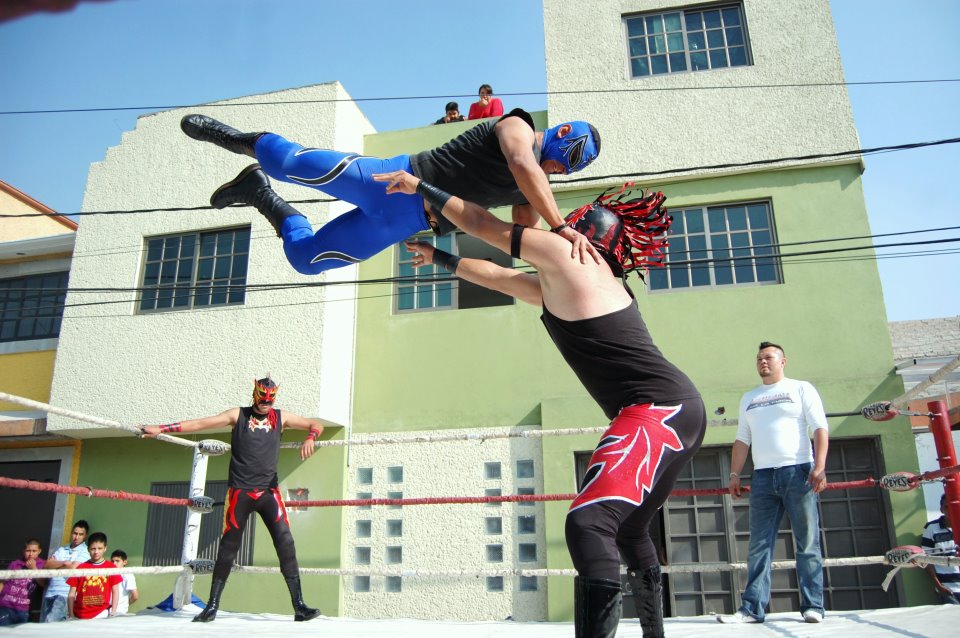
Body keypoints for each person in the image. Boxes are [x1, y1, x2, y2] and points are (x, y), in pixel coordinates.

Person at [376, 170, 705, 638]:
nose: (558, 226)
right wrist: (439, 256)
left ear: (582, 232)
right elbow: (500, 277)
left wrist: (422, 187)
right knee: (630, 530)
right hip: (679, 410)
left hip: (657, 410)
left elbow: (485, 227)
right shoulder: (583, 280)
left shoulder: (570, 254)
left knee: (589, 523)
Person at [179, 106, 601, 275]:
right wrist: (561, 226)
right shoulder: (518, 127)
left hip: (404, 223)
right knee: (287, 163)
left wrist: (573, 263)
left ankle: (260, 194)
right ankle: (231, 137)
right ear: (562, 132)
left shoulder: (532, 189)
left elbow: (520, 240)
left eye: (564, 171)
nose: (556, 170)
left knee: (306, 260)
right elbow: (523, 163)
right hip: (390, 181)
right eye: (563, 160)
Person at [140, 376, 322, 623]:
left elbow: (315, 424)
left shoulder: (282, 417)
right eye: (263, 398)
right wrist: (162, 428)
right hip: (240, 492)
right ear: (255, 394)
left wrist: (311, 437)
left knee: (286, 543)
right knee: (228, 547)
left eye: (271, 399)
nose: (266, 402)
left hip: (269, 492)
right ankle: (212, 606)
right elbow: (202, 423)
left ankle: (299, 605)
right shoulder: (238, 415)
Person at [718, 342, 829, 624]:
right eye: (759, 358)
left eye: (768, 357)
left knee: (807, 542)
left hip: (798, 471)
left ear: (783, 361)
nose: (763, 361)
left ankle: (813, 606)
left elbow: (819, 427)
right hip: (763, 477)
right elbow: (742, 438)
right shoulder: (749, 397)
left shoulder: (801, 388)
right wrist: (734, 474)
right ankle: (752, 609)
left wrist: (819, 466)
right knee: (758, 545)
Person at [40, 519, 90, 622]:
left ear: (85, 536)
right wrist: (64, 563)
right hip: (50, 592)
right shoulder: (62, 549)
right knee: (44, 624)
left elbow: (72, 568)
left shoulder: (85, 551)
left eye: (80, 534)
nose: (76, 537)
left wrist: (56, 564)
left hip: (64, 594)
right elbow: (47, 564)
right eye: (75, 533)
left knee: (50, 623)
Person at [66, 531, 122, 620]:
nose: (96, 552)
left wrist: (113, 612)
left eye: (99, 548)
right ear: (88, 549)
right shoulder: (80, 568)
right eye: (93, 549)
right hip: (79, 615)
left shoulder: (111, 567)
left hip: (101, 614)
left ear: (105, 548)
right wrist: (71, 615)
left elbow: (115, 591)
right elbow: (71, 594)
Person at [922, 493, 960, 604]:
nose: (950, 510)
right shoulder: (931, 528)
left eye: (953, 506)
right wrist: (938, 586)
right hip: (948, 589)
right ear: (941, 509)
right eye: (946, 507)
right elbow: (925, 559)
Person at [0, 538, 46, 626]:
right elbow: (2, 582)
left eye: (34, 551)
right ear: (24, 551)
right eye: (28, 550)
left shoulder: (42, 565)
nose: (30, 554)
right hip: (6, 606)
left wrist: (34, 569)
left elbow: (44, 584)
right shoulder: (15, 564)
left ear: (39, 551)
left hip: (25, 609)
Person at [110, 550, 138, 615]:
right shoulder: (109, 573)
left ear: (125, 562)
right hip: (105, 611)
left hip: (119, 612)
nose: (114, 563)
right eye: (112, 561)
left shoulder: (128, 575)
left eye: (117, 561)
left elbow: (135, 596)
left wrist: (125, 605)